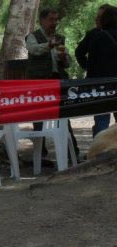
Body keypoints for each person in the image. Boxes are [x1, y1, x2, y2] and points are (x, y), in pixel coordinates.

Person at [26, 8, 79, 158]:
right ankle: (40, 155)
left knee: (63, 117)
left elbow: (68, 63)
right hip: (39, 82)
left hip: (57, 81)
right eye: (51, 19)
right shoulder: (32, 36)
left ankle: (72, 152)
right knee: (38, 118)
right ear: (42, 20)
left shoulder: (60, 38)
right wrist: (48, 45)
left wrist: (64, 58)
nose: (54, 23)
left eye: (56, 20)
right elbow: (33, 49)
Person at [75, 4, 117, 137]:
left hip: (99, 85)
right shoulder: (95, 34)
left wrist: (89, 68)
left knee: (101, 122)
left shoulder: (95, 37)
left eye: (100, 17)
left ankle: (99, 154)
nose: (97, 19)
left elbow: (81, 53)